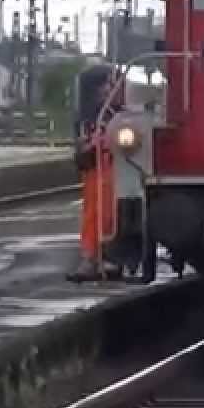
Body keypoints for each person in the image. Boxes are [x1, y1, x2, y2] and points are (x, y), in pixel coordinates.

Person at [68, 66, 122, 282]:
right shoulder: (88, 118)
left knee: (113, 213)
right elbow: (81, 145)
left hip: (114, 167)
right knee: (93, 213)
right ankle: (91, 257)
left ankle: (108, 256)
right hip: (96, 169)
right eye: (107, 84)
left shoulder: (116, 114)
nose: (111, 89)